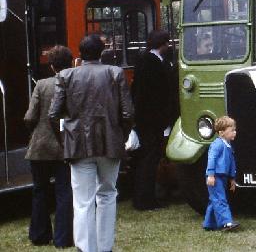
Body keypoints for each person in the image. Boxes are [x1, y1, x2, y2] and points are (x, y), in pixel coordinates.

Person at [49, 34, 134, 252]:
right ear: (102, 51)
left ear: (80, 53)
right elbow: (127, 112)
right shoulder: (115, 73)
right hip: (110, 142)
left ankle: (86, 248)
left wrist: (64, 140)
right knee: (107, 194)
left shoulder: (66, 76)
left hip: (77, 144)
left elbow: (54, 114)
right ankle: (105, 247)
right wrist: (121, 136)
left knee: (83, 200)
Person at [24, 45, 74, 248]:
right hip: (64, 146)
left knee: (40, 191)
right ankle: (63, 238)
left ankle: (39, 235)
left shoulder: (42, 85)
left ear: (52, 66)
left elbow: (30, 116)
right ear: (70, 62)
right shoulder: (73, 82)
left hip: (40, 145)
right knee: (64, 192)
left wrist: (34, 131)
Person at [130, 29, 178, 210]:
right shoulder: (154, 63)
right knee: (149, 160)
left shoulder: (143, 61)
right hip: (153, 119)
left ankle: (143, 197)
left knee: (145, 159)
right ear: (163, 44)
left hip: (145, 119)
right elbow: (159, 94)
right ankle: (145, 199)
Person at [203, 116, 240, 231]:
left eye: (235, 130)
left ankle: (209, 224)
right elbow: (212, 159)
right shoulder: (217, 144)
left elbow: (231, 163)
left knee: (214, 199)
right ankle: (226, 222)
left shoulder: (228, 146)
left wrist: (232, 179)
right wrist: (210, 175)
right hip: (215, 177)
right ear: (221, 133)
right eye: (232, 131)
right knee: (220, 199)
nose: (235, 132)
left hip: (223, 177)